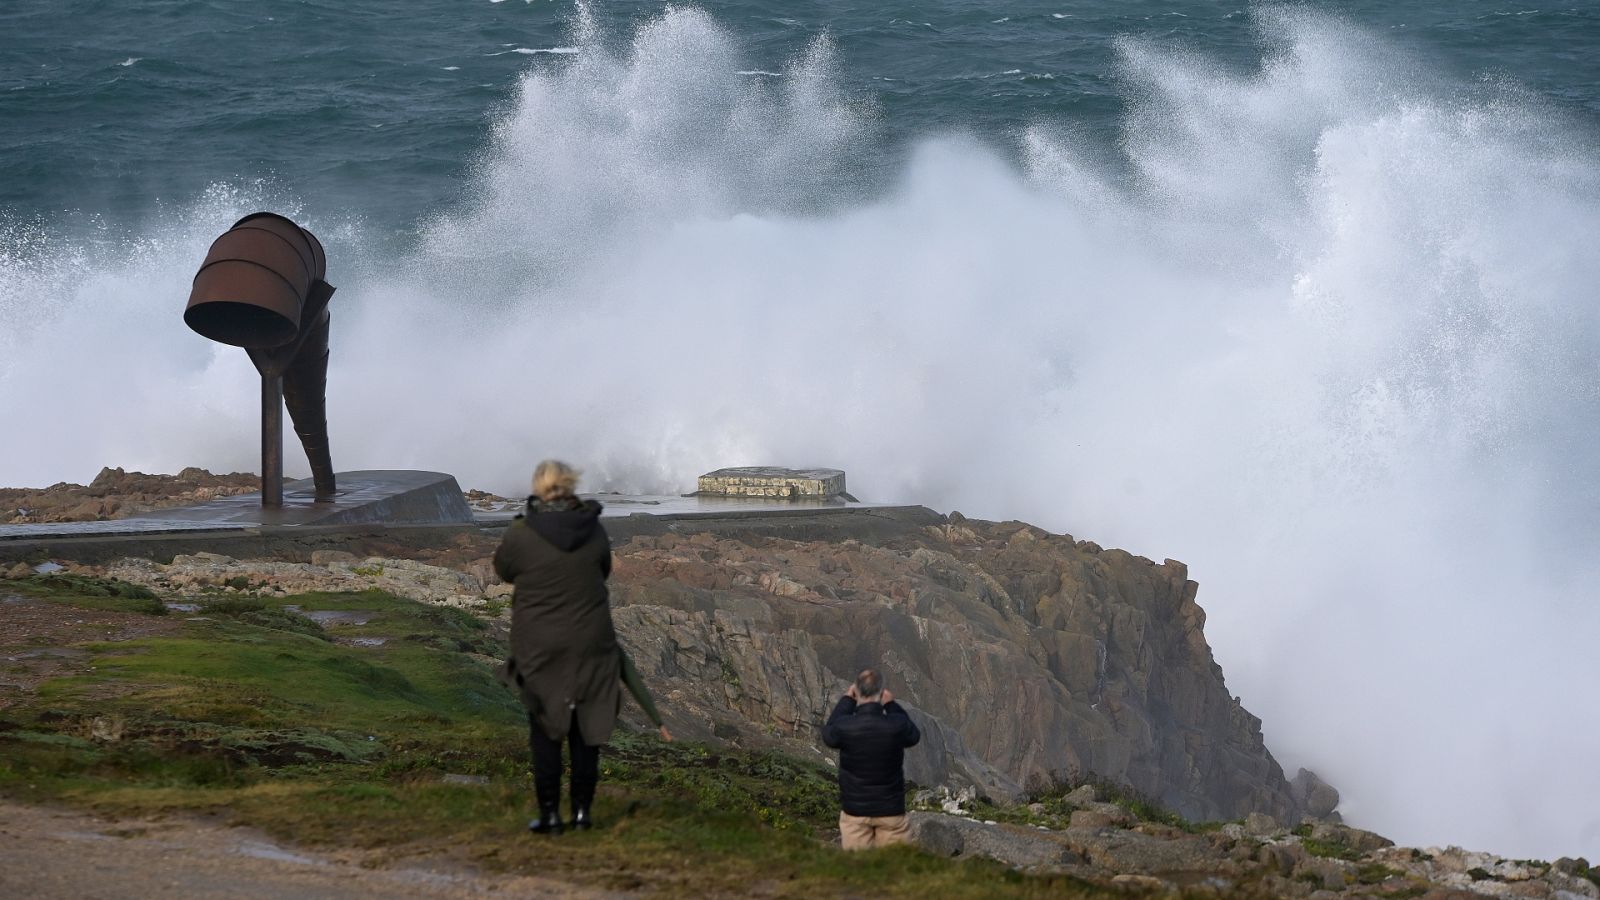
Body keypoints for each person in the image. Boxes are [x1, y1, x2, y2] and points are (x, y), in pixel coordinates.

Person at [494, 459, 624, 836]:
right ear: (569, 487)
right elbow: (602, 571)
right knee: (586, 730)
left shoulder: (521, 532)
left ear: (539, 487)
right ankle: (582, 814)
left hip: (541, 645)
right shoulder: (593, 529)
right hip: (590, 641)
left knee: (547, 729)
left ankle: (550, 815)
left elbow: (504, 570)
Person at [820, 668, 922, 850]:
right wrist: (891, 705)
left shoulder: (844, 726)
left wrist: (847, 700)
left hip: (855, 812)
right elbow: (913, 734)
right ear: (882, 692)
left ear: (856, 691)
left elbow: (829, 732)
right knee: (895, 867)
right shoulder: (895, 725)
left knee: (858, 869)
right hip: (890, 811)